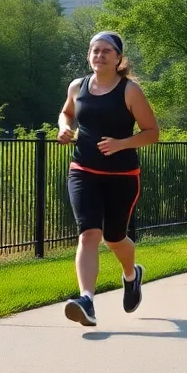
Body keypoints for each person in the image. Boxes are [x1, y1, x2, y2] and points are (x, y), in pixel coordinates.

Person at [57, 31, 161, 327]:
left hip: (122, 175)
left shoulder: (130, 91)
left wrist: (121, 143)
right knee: (88, 233)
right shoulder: (78, 87)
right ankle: (86, 300)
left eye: (106, 51)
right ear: (89, 56)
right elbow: (66, 113)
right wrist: (64, 128)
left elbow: (152, 133)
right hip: (83, 170)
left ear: (118, 58)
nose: (99, 55)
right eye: (94, 51)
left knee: (114, 237)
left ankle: (131, 274)